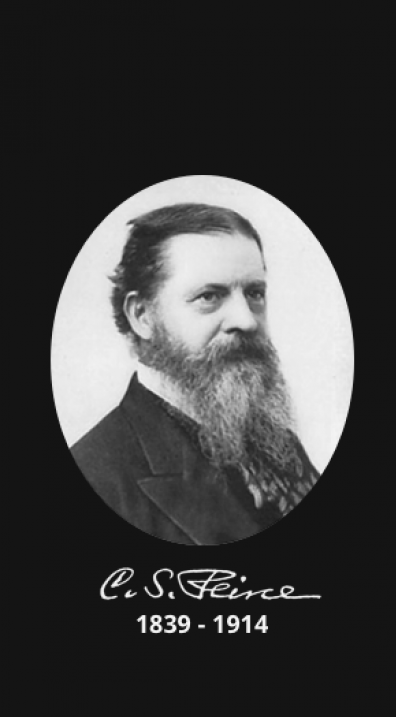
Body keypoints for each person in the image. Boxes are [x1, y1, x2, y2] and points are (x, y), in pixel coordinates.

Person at [72, 203, 318, 545]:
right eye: (209, 296)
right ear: (141, 315)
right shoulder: (95, 476)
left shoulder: (282, 446)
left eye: (254, 293)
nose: (246, 320)